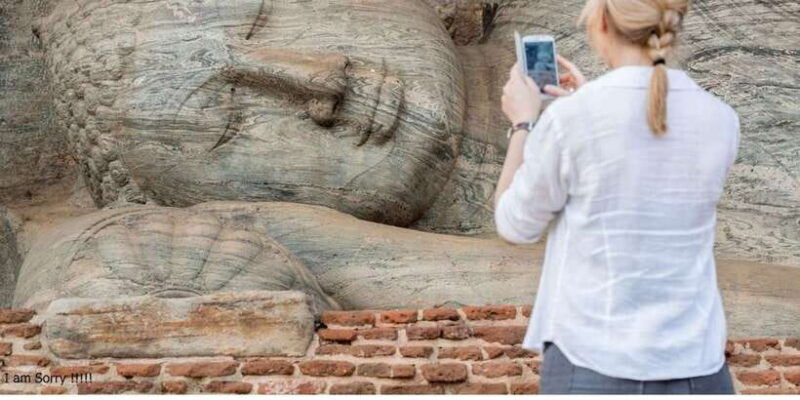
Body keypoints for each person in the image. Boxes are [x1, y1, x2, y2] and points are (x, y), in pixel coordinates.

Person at [493, 0, 740, 394]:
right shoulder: (722, 119)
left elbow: (514, 225)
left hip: (591, 366)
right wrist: (589, 99)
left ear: (603, 22)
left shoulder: (570, 119)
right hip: (699, 369)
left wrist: (524, 124)